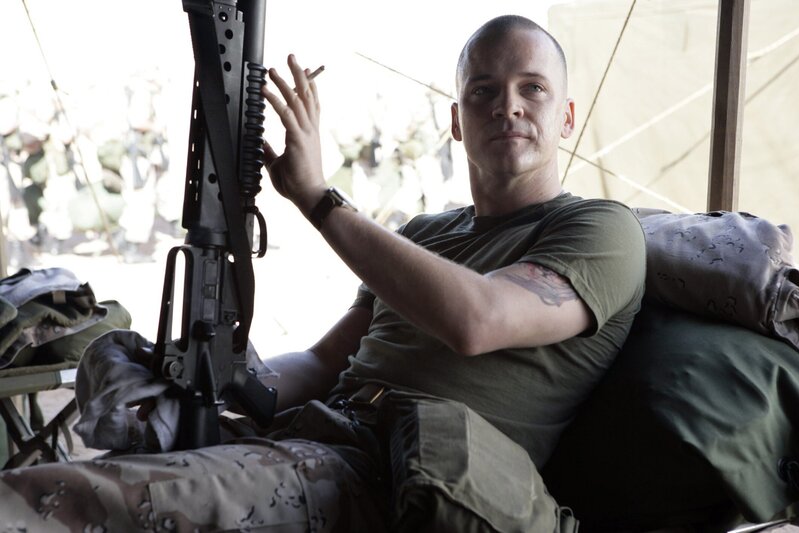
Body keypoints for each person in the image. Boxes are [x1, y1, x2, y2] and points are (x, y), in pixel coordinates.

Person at [0, 15, 645, 532]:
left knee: (42, 500)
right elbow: (322, 362)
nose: (508, 106)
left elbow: (479, 319)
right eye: (483, 90)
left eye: (533, 88)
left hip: (390, 478)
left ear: (566, 116)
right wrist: (223, 378)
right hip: (314, 435)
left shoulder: (601, 230)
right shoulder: (424, 235)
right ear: (456, 121)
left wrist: (318, 199)